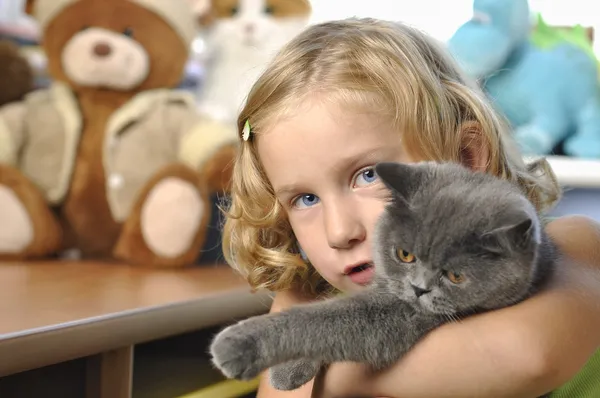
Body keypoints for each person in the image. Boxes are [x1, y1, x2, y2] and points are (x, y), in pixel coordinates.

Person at [221, 17, 600, 398]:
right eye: (305, 199)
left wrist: (324, 363)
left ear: (465, 159)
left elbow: (528, 358)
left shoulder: (572, 244)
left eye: (368, 175)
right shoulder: (319, 301)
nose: (339, 231)